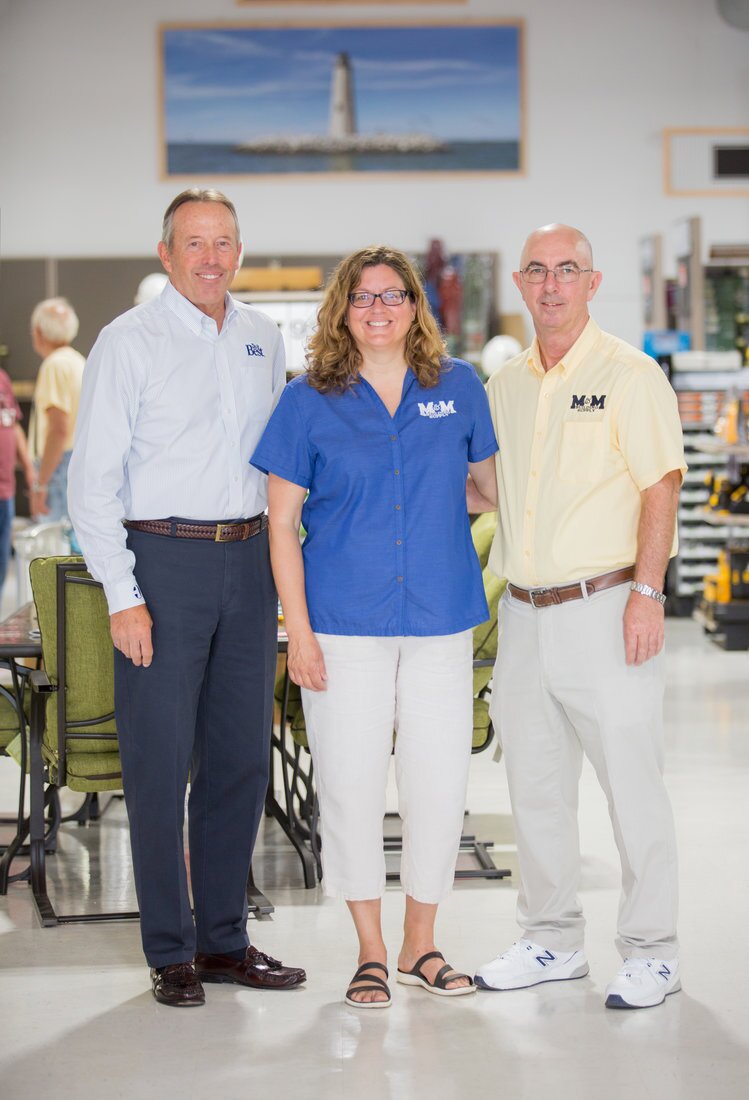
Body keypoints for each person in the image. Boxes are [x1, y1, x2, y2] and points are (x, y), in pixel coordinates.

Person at [68, 188, 306, 1007]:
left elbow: (277, 463)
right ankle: (169, 948)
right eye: (195, 242)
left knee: (240, 761)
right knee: (160, 764)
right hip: (161, 563)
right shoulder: (127, 342)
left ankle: (225, 942)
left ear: (239, 252)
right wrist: (123, 596)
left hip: (247, 565)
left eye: (225, 241)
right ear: (167, 254)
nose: (212, 256)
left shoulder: (261, 338)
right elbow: (90, 483)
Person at [251, 245, 499, 1008]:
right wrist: (299, 632)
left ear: (416, 307)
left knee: (436, 784)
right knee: (351, 787)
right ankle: (367, 951)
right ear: (342, 311)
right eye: (363, 298)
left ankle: (420, 945)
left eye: (393, 295)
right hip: (342, 627)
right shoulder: (305, 400)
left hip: (437, 620)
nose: (379, 308)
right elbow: (281, 522)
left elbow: (488, 489)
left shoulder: (458, 388)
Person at [469, 224, 686, 1010]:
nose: (552, 284)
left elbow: (659, 486)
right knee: (535, 787)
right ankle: (551, 938)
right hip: (524, 617)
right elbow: (491, 493)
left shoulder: (629, 374)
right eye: (537, 270)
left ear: (591, 284)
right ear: (520, 285)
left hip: (605, 608)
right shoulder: (505, 386)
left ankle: (653, 950)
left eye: (568, 270)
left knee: (632, 786)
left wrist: (647, 593)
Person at [29, 298, 85, 521]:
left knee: (54, 546)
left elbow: (58, 429)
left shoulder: (54, 365)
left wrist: (40, 484)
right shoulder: (78, 361)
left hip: (58, 466)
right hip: (75, 463)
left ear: (39, 332)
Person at [0, 366, 34, 596]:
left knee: (3, 556)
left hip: (6, 490)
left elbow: (14, 427)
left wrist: (30, 470)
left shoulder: (3, 378)